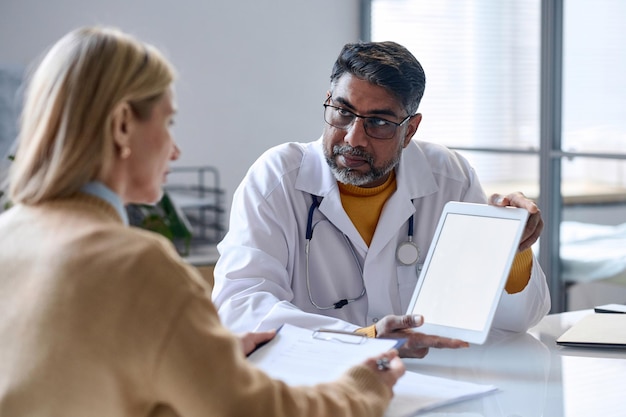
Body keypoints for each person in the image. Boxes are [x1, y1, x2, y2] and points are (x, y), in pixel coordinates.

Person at [0, 27, 405, 416]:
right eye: (168, 121)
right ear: (123, 125)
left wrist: (205, 359)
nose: (175, 150)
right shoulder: (135, 264)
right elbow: (251, 411)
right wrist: (363, 387)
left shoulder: (11, 234)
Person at [212, 41, 551, 358]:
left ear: (411, 130)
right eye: (343, 112)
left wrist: (511, 248)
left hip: (426, 380)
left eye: (378, 122)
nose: (353, 137)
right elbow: (241, 307)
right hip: (318, 379)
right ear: (328, 100)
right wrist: (365, 338)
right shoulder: (277, 178)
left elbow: (516, 321)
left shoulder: (449, 176)